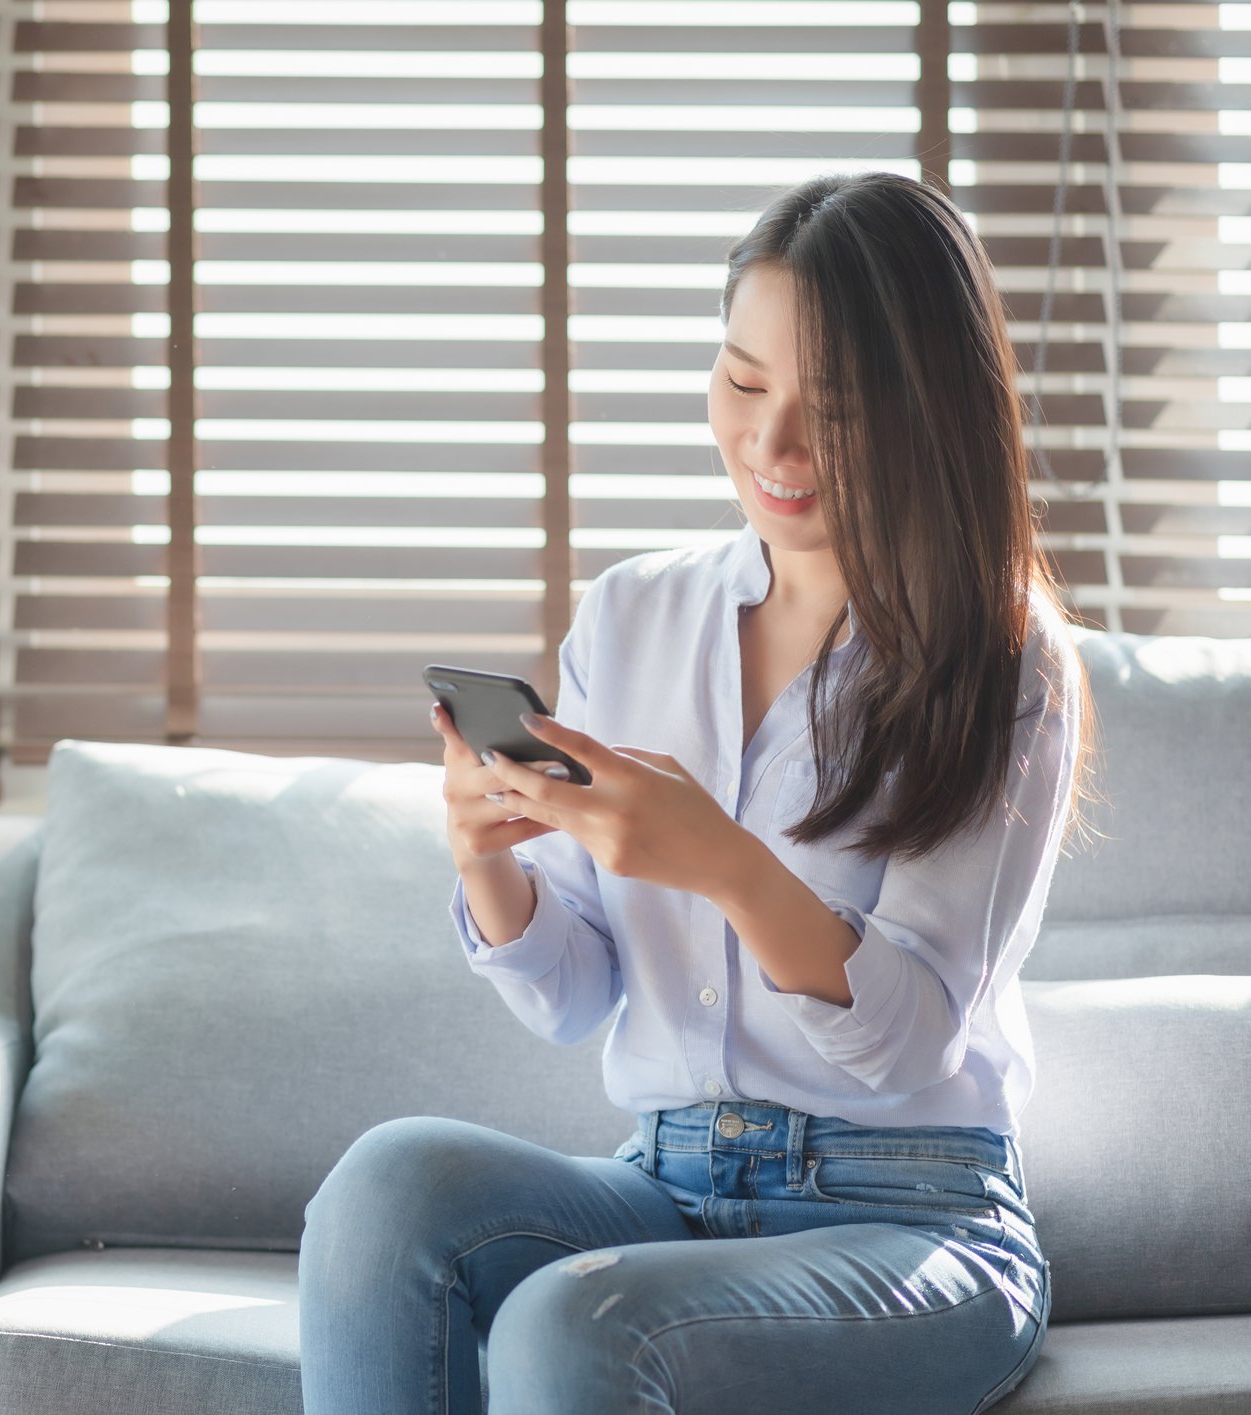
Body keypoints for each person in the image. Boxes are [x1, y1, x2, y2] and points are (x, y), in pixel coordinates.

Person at [297, 171, 1101, 1415]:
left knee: (577, 1321)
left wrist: (724, 859)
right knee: (386, 1188)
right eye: (740, 382)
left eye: (828, 409)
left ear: (927, 410)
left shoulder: (1004, 660)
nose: (769, 446)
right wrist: (484, 860)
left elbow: (905, 1040)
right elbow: (575, 997)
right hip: (667, 1179)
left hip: (912, 1218)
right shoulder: (634, 614)